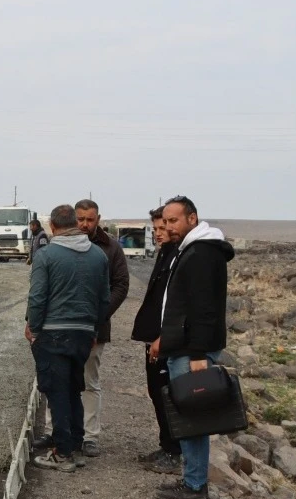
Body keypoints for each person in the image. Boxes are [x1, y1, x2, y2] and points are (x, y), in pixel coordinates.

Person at [152, 196, 234, 499]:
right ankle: (192, 479)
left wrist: (198, 353)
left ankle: (195, 484)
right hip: (184, 348)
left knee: (194, 419)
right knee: (190, 417)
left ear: (192, 218)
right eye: (166, 221)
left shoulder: (200, 253)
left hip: (191, 351)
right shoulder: (193, 250)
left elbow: (204, 309)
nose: (169, 226)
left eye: (174, 221)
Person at [27, 204, 111, 472]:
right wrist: (93, 330)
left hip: (53, 333)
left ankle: (62, 453)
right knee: (75, 389)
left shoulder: (46, 255)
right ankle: (76, 446)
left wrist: (33, 326)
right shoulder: (98, 255)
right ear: (76, 223)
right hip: (83, 335)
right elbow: (104, 299)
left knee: (56, 392)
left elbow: (38, 296)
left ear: (52, 226)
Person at [75, 199, 130, 456]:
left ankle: (90, 436)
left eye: (90, 219)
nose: (85, 224)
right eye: (80, 219)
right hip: (64, 327)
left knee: (89, 382)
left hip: (97, 328)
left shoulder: (111, 247)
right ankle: (59, 432)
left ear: (99, 219)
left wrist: (101, 316)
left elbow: (121, 285)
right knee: (59, 381)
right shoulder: (63, 244)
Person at [131, 208, 181, 473]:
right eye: (156, 229)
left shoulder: (179, 256)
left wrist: (163, 336)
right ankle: (166, 446)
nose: (159, 234)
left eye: (163, 227)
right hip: (154, 337)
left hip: (166, 340)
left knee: (166, 394)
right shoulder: (166, 254)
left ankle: (174, 452)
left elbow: (173, 303)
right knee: (156, 392)